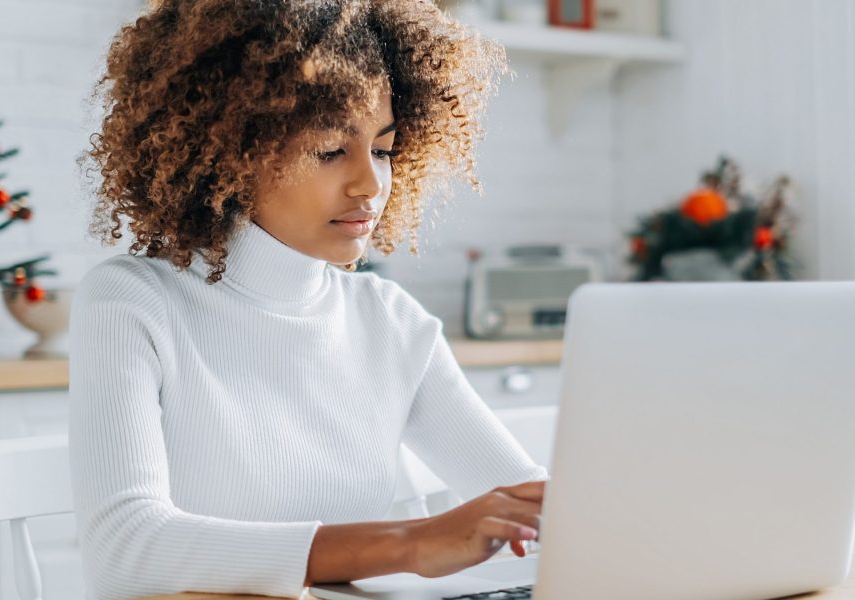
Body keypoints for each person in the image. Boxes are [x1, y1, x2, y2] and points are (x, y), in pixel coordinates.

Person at [70, 1, 548, 599]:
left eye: (382, 149)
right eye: (330, 151)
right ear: (230, 153)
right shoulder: (134, 301)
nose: (371, 185)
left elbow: (528, 499)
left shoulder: (389, 320)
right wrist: (410, 543)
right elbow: (125, 550)